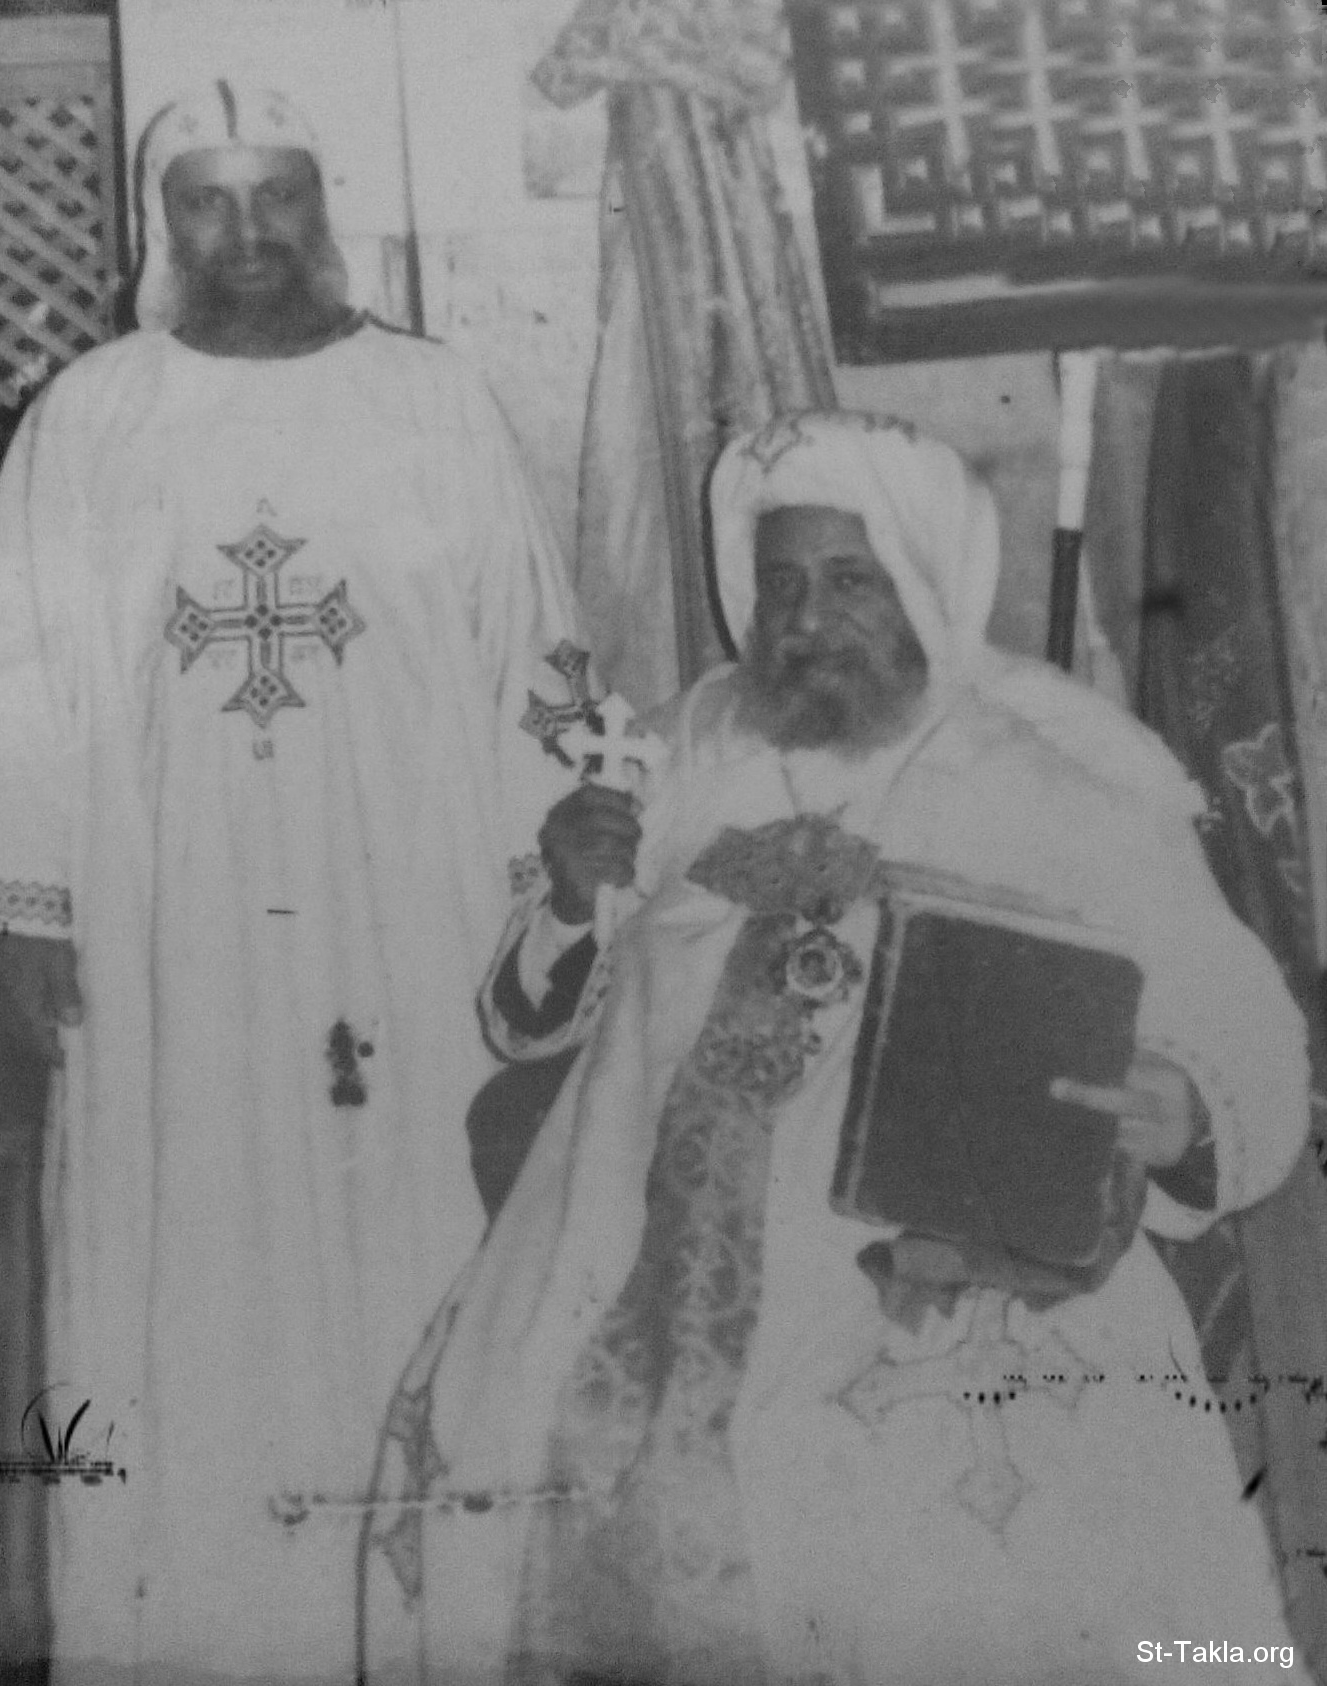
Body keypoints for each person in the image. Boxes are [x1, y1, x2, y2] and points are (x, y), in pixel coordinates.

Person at [358, 411, 1309, 1686]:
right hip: (638, 1251)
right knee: (525, 1456)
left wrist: (1184, 1101)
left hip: (935, 1271)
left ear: (921, 578)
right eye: (783, 585)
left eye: (850, 580)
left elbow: (1240, 1017)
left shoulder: (1061, 764)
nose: (808, 619)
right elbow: (533, 1014)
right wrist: (573, 903)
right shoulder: (687, 745)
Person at [0, 81, 591, 1685]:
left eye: (279, 195)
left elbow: (531, 655)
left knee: (414, 1232)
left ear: (323, 207)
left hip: (405, 921)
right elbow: (12, 676)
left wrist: (548, 880)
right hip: (166, 931)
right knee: (179, 1253)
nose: (249, 233)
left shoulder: (437, 402)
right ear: (165, 222)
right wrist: (15, 922)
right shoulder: (93, 414)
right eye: (210, 200)